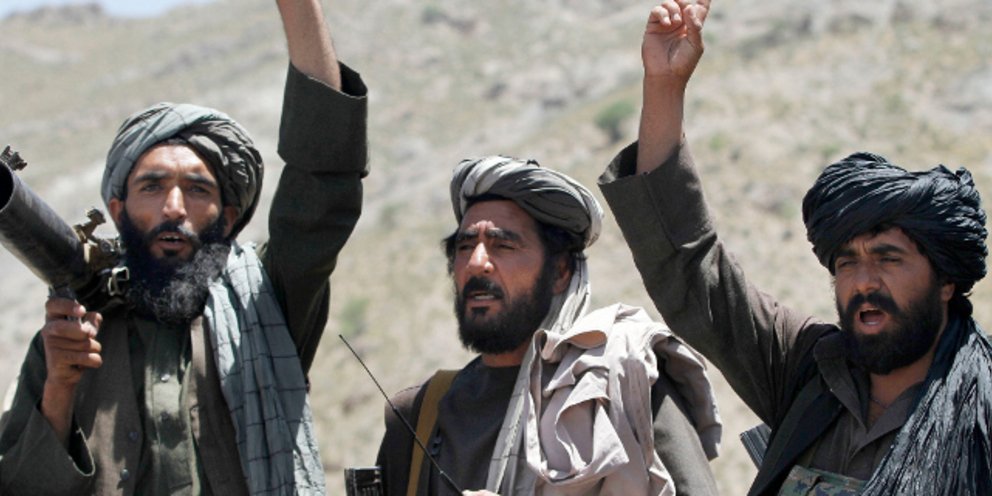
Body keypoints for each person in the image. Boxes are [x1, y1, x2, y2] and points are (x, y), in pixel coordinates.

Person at [598, 1, 992, 494]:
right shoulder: (809, 370)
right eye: (846, 262)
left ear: (946, 280)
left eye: (888, 259)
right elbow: (690, 268)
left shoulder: (980, 410)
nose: (864, 282)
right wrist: (665, 85)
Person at [0, 0, 368, 494]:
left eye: (197, 190)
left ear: (229, 218)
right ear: (118, 211)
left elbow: (323, 177)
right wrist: (60, 390)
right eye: (152, 187)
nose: (173, 208)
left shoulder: (267, 303)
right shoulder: (72, 333)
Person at [376, 156, 722, 495]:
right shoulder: (419, 414)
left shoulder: (624, 380)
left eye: (503, 245)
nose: (476, 263)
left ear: (560, 272)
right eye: (465, 246)